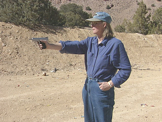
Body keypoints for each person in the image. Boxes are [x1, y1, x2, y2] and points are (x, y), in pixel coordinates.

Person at [38, 12, 131, 122]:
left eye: (95, 23)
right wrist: (49, 46)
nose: (91, 26)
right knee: (89, 119)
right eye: (91, 23)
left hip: (102, 88)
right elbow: (73, 46)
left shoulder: (115, 44)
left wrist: (110, 84)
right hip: (88, 86)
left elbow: (125, 69)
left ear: (104, 25)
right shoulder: (90, 42)